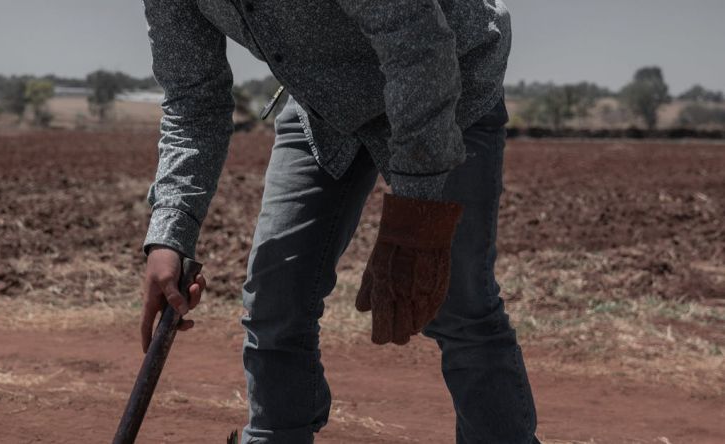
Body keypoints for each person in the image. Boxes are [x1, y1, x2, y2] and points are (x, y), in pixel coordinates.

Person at [137, 1, 539, 442]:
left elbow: (416, 44)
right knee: (276, 298)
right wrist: (169, 233)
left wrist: (417, 214)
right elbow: (193, 97)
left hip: (444, 80)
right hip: (323, 104)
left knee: (453, 299)